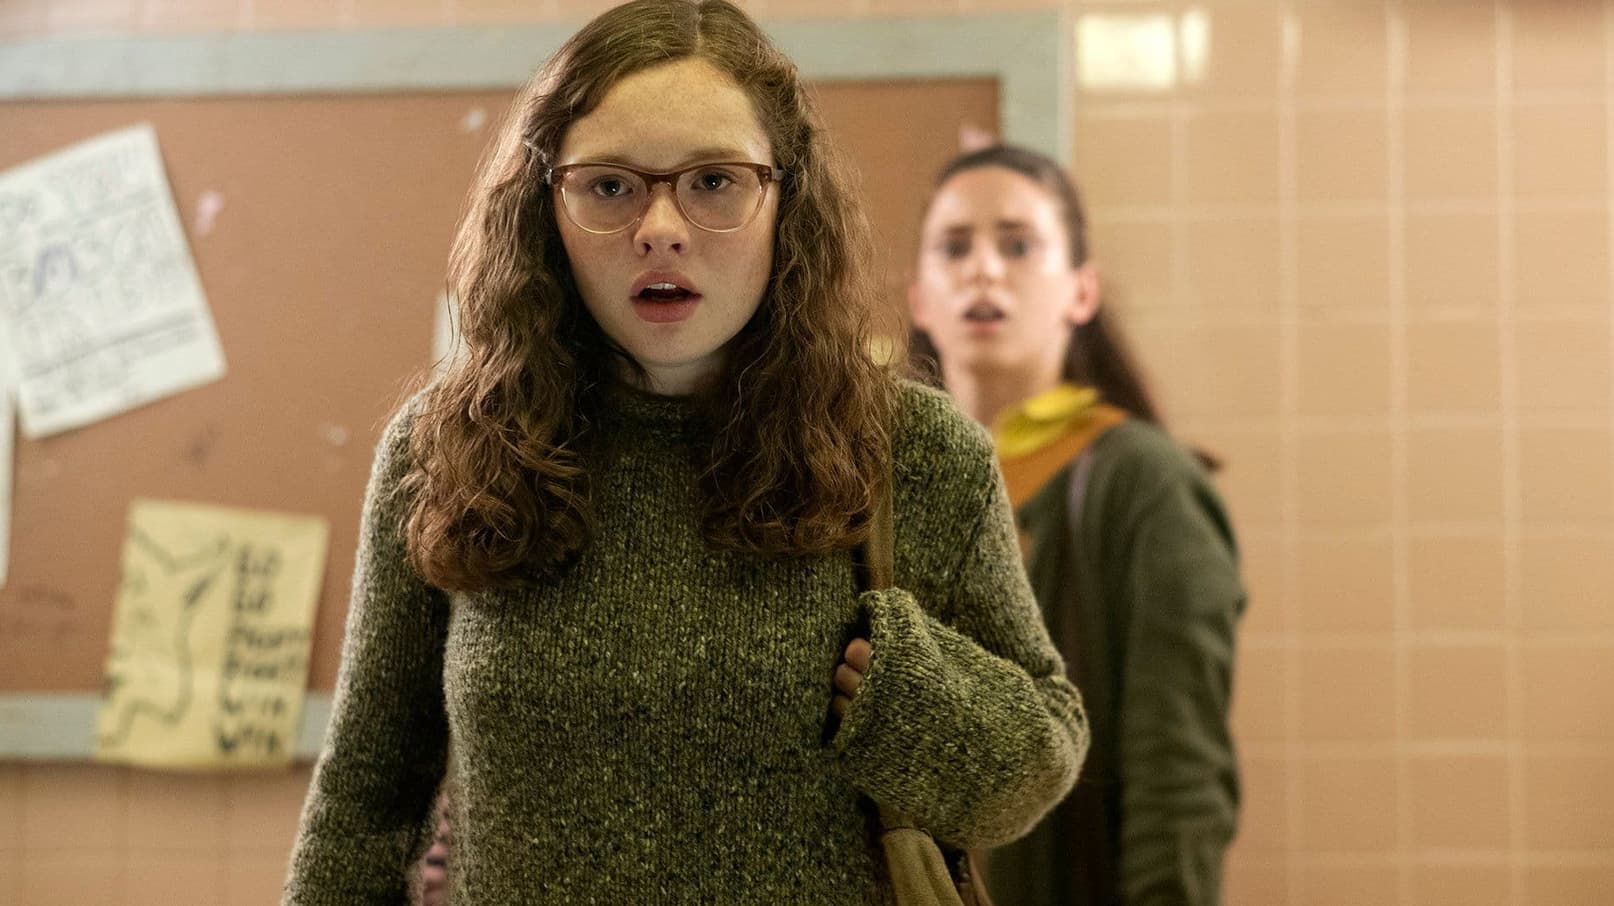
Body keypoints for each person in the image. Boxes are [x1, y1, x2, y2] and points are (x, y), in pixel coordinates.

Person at [281, 3, 1089, 903]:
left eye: (713, 181)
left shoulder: (914, 452)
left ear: (786, 200)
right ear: (546, 207)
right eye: (610, 186)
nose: (661, 227)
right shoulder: (449, 446)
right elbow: (361, 804)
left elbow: (1044, 753)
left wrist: (911, 701)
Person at [908, 145, 1245, 906]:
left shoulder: (1144, 484)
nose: (983, 270)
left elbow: (1178, 772)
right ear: (919, 297)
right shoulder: (872, 487)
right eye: (954, 247)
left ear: (1081, 291)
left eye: (1018, 245)